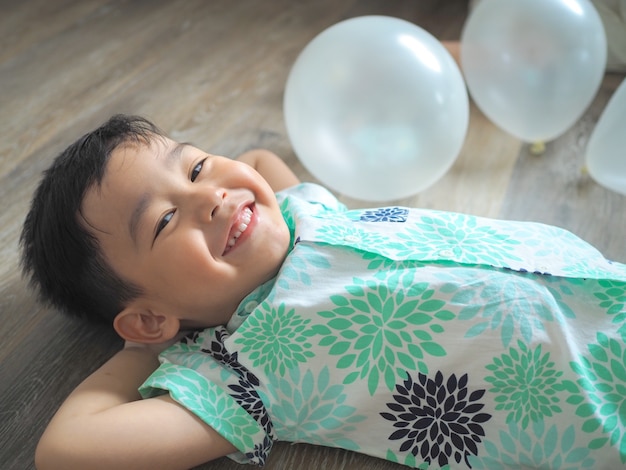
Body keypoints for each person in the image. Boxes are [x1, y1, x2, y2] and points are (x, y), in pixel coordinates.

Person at [21, 115, 626, 470]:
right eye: (162, 221)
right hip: (598, 400)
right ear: (149, 317)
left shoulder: (301, 212)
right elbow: (66, 449)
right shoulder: (239, 375)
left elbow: (255, 158)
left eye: (197, 167)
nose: (210, 197)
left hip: (603, 279)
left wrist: (242, 187)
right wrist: (148, 346)